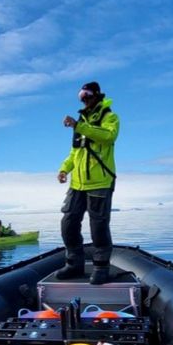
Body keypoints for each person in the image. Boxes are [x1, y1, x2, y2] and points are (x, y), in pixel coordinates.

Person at [56, 81, 119, 285]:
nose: (84, 99)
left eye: (87, 95)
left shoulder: (110, 117)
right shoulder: (80, 123)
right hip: (78, 184)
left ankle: (101, 267)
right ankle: (74, 263)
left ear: (97, 95)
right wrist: (64, 169)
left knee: (98, 226)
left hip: (100, 182)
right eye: (81, 97)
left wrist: (78, 125)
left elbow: (108, 137)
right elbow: (75, 153)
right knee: (68, 222)